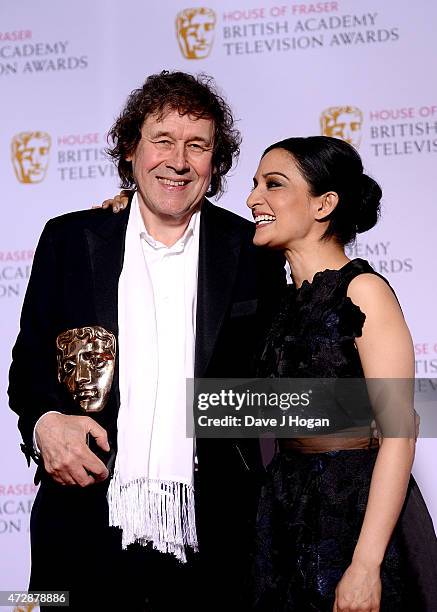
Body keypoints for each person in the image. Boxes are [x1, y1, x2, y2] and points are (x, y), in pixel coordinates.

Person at [8, 70, 285, 611]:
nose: (178, 161)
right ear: (132, 149)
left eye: (197, 146)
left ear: (215, 161)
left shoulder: (253, 252)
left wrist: (390, 409)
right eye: (162, 140)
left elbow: (284, 389)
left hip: (214, 537)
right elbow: (28, 363)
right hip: (79, 526)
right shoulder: (69, 238)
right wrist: (44, 423)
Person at [244, 136, 437, 611]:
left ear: (324, 203)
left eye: (273, 184)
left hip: (355, 515)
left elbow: (399, 434)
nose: (253, 199)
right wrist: (133, 208)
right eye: (254, 185)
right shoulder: (279, 301)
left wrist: (366, 564)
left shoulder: (365, 291)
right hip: (285, 511)